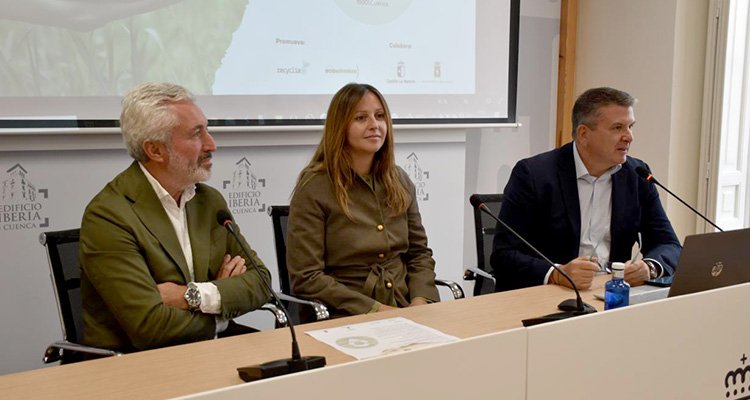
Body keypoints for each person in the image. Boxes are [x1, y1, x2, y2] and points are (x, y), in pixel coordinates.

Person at [80, 82, 272, 353]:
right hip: (138, 364)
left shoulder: (208, 201)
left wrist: (191, 295)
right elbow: (150, 326)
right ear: (155, 150)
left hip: (208, 352)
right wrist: (222, 309)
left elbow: (262, 282)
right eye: (196, 134)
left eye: (207, 129)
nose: (212, 144)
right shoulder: (109, 215)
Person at [490, 87, 681, 292]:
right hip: (549, 295)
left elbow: (669, 244)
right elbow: (504, 254)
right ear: (583, 134)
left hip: (610, 296)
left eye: (630, 127)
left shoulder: (637, 175)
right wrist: (557, 273)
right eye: (617, 128)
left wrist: (649, 268)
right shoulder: (534, 175)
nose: (629, 137)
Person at [286, 83, 439, 316]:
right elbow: (307, 277)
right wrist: (376, 310)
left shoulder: (399, 180)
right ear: (340, 127)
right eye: (360, 118)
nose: (374, 125)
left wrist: (419, 303)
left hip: (404, 307)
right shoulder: (314, 187)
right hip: (345, 314)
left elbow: (419, 255)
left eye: (380, 116)